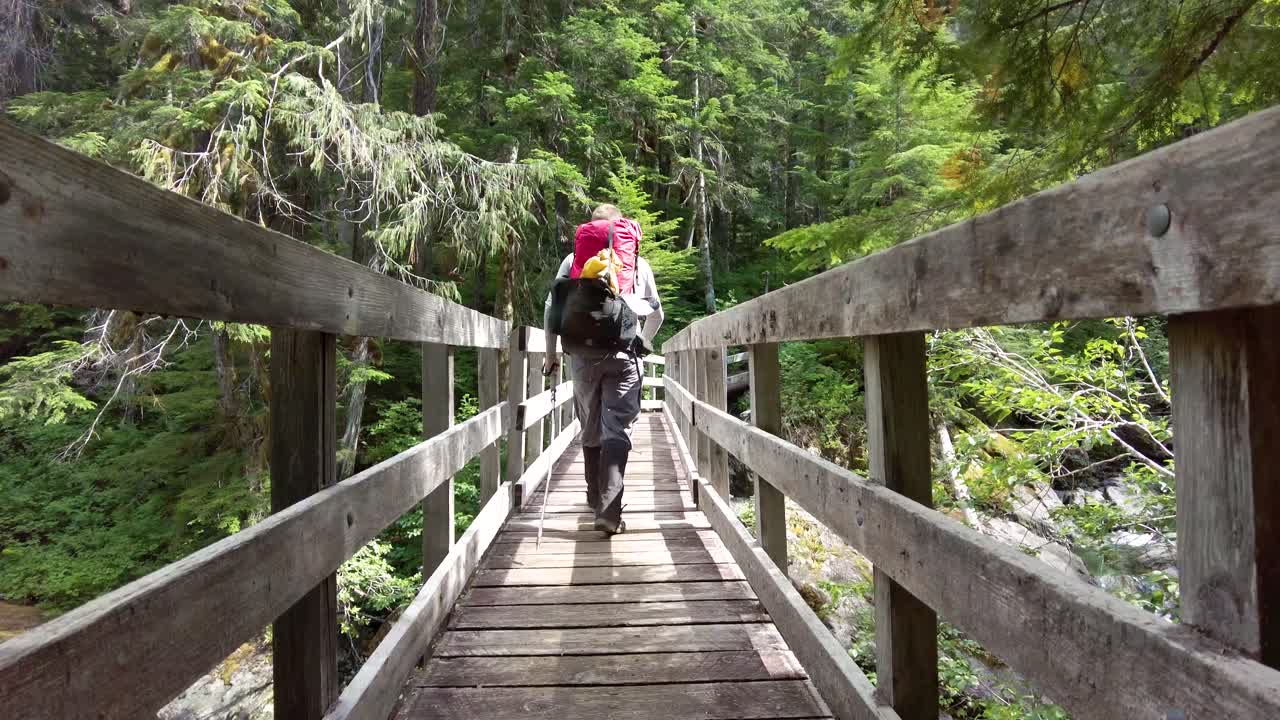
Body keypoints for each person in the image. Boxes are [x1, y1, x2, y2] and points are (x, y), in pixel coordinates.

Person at [543, 203, 663, 535]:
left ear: (589, 229)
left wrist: (551, 354)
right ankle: (609, 512)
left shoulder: (574, 261)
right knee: (618, 428)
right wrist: (644, 341)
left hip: (582, 356)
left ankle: (593, 495)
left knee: (590, 423)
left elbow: (553, 308)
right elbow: (656, 314)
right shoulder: (636, 261)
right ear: (621, 225)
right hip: (624, 355)